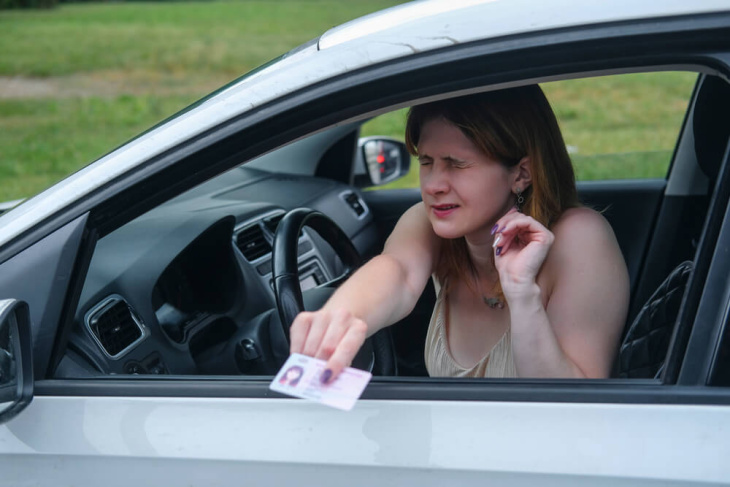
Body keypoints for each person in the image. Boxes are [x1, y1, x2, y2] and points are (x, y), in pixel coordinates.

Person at [290, 85, 630, 383]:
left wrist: (522, 294)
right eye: (427, 162)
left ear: (521, 174)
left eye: (456, 164)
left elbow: (573, 407)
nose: (434, 186)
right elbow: (398, 272)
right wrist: (339, 319)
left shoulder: (579, 239)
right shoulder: (431, 223)